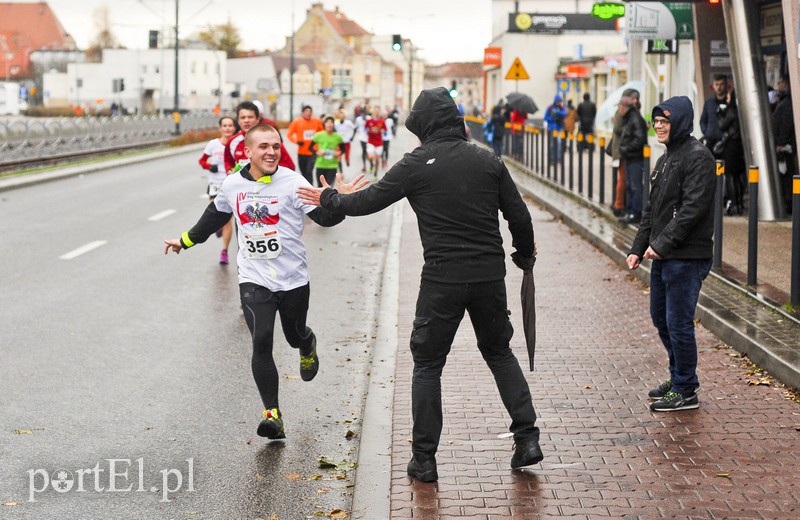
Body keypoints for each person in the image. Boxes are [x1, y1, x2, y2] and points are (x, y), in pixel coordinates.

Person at [297, 87, 543, 482]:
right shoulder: (488, 160)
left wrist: (330, 197)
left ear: (423, 125)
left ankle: (424, 460)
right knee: (499, 353)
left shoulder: (416, 164)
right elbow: (519, 216)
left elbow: (366, 202)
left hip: (442, 279)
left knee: (428, 365)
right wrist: (523, 254)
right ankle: (527, 439)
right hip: (488, 277)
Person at [164, 125, 361, 439]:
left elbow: (324, 217)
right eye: (264, 146)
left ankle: (307, 343)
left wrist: (343, 202)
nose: (271, 152)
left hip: (293, 278)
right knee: (262, 340)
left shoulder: (293, 181)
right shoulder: (231, 185)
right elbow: (214, 215)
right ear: (247, 151)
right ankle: (272, 413)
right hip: (254, 278)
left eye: (276, 146)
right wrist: (185, 241)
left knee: (294, 336)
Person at [626, 96, 715, 412]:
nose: (659, 127)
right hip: (664, 256)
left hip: (687, 256)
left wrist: (661, 244)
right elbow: (652, 210)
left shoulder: (698, 158)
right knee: (661, 318)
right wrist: (638, 248)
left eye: (665, 121)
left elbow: (692, 210)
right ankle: (679, 376)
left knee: (678, 322)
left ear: (680, 122)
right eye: (657, 122)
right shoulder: (665, 159)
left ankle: (686, 388)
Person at [198, 115, 237, 264]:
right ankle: (217, 226)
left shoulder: (237, 144)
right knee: (216, 213)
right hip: (215, 184)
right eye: (224, 126)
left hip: (231, 184)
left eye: (230, 125)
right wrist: (209, 167)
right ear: (220, 128)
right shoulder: (213, 144)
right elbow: (202, 160)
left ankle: (224, 252)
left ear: (234, 128)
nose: (227, 128)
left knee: (227, 220)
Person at [225, 101, 295, 176]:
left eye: (250, 117)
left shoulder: (270, 140)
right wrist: (229, 170)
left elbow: (290, 166)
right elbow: (228, 161)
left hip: (267, 185)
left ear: (257, 119)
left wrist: (268, 170)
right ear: (238, 120)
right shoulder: (232, 141)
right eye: (243, 118)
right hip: (242, 185)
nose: (246, 121)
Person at [617, 92, 649, 225]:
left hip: (635, 157)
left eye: (619, 107)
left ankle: (635, 213)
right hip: (630, 157)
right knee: (630, 185)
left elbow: (639, 138)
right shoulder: (629, 118)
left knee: (635, 186)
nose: (618, 110)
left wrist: (626, 148)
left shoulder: (634, 118)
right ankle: (630, 212)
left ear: (625, 107)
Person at [715, 89, 746, 215]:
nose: (726, 99)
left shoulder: (731, 111)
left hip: (731, 146)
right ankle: (739, 203)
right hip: (739, 146)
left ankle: (732, 203)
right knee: (738, 176)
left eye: (728, 97)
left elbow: (722, 126)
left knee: (729, 176)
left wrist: (720, 114)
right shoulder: (741, 111)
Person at [773, 74, 796, 214]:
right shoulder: (784, 101)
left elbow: (786, 125)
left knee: (786, 177)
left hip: (784, 147)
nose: (778, 85)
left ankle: (789, 204)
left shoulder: (786, 103)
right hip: (784, 146)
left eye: (780, 82)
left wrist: (780, 144)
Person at [287, 105, 324, 184]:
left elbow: (322, 133)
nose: (308, 113)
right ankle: (305, 188)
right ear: (302, 113)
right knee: (303, 172)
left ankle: (310, 189)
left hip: (312, 151)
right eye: (306, 112)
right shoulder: (296, 122)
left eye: (310, 112)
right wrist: (297, 141)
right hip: (301, 152)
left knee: (309, 171)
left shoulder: (316, 121)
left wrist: (319, 144)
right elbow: (289, 134)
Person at [310, 115, 344, 188]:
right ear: (324, 124)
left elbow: (343, 149)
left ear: (333, 124)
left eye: (331, 122)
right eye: (327, 122)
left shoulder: (337, 137)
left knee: (328, 187)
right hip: (320, 165)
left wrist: (338, 153)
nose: (329, 124)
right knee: (320, 187)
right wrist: (317, 153)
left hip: (332, 166)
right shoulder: (318, 135)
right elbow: (310, 147)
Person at [700, 74, 729, 153]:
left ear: (726, 85)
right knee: (709, 163)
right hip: (710, 141)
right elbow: (703, 120)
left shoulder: (730, 103)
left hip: (725, 142)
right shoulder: (709, 103)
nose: (719, 87)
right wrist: (706, 132)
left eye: (721, 84)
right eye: (716, 84)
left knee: (722, 164)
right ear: (713, 86)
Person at [544, 95, 566, 164]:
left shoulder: (561, 108)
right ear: (555, 101)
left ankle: (559, 158)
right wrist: (552, 118)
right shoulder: (550, 108)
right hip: (552, 128)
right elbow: (545, 117)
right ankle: (552, 159)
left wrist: (557, 113)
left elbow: (565, 113)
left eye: (560, 102)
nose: (559, 103)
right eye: (558, 101)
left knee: (559, 144)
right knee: (552, 144)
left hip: (559, 128)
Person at [364, 106, 386, 178]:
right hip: (371, 141)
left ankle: (375, 173)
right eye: (375, 110)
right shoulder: (369, 120)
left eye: (378, 111)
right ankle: (371, 164)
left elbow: (385, 130)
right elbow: (365, 129)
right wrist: (370, 131)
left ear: (379, 112)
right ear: (373, 111)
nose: (376, 112)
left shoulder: (382, 121)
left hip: (379, 143)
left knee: (377, 159)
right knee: (370, 156)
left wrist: (380, 130)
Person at [354, 109, 370, 173]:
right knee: (364, 150)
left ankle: (371, 163)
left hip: (369, 137)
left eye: (365, 114)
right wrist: (352, 137)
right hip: (361, 137)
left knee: (368, 151)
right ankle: (364, 165)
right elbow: (356, 127)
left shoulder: (369, 118)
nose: (364, 115)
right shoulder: (358, 119)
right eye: (363, 114)